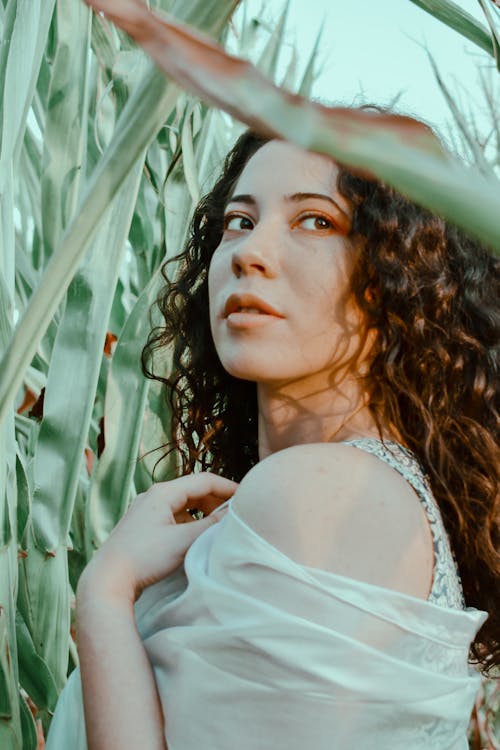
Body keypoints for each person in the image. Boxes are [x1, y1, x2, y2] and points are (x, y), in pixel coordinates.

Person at [46, 129, 499, 750]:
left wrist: (105, 590)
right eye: (238, 220)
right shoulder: (351, 488)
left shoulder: (323, 492)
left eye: (315, 220)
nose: (250, 252)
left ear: (398, 275)